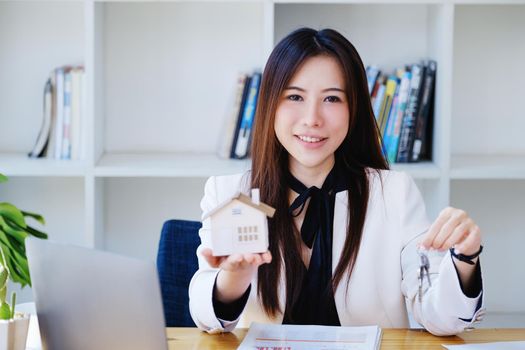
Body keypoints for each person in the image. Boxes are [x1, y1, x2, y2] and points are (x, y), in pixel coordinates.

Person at [189, 27, 484, 336]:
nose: (312, 118)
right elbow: (205, 318)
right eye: (295, 96)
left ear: (353, 109)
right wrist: (234, 278)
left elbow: (442, 319)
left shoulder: (395, 193)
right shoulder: (229, 194)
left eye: (331, 98)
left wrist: (465, 258)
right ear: (270, 105)